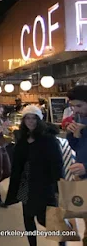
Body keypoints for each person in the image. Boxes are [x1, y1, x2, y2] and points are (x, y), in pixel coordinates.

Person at [5, 106, 64, 246]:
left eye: (33, 118)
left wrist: (58, 187)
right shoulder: (23, 138)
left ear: (39, 120)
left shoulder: (48, 139)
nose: (30, 121)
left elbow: (57, 164)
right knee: (28, 217)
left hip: (44, 184)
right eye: (27, 118)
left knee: (49, 219)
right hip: (26, 184)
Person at [66, 85, 87, 245]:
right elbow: (77, 147)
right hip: (82, 179)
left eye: (79, 105)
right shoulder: (80, 119)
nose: (75, 110)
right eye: (73, 106)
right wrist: (73, 134)